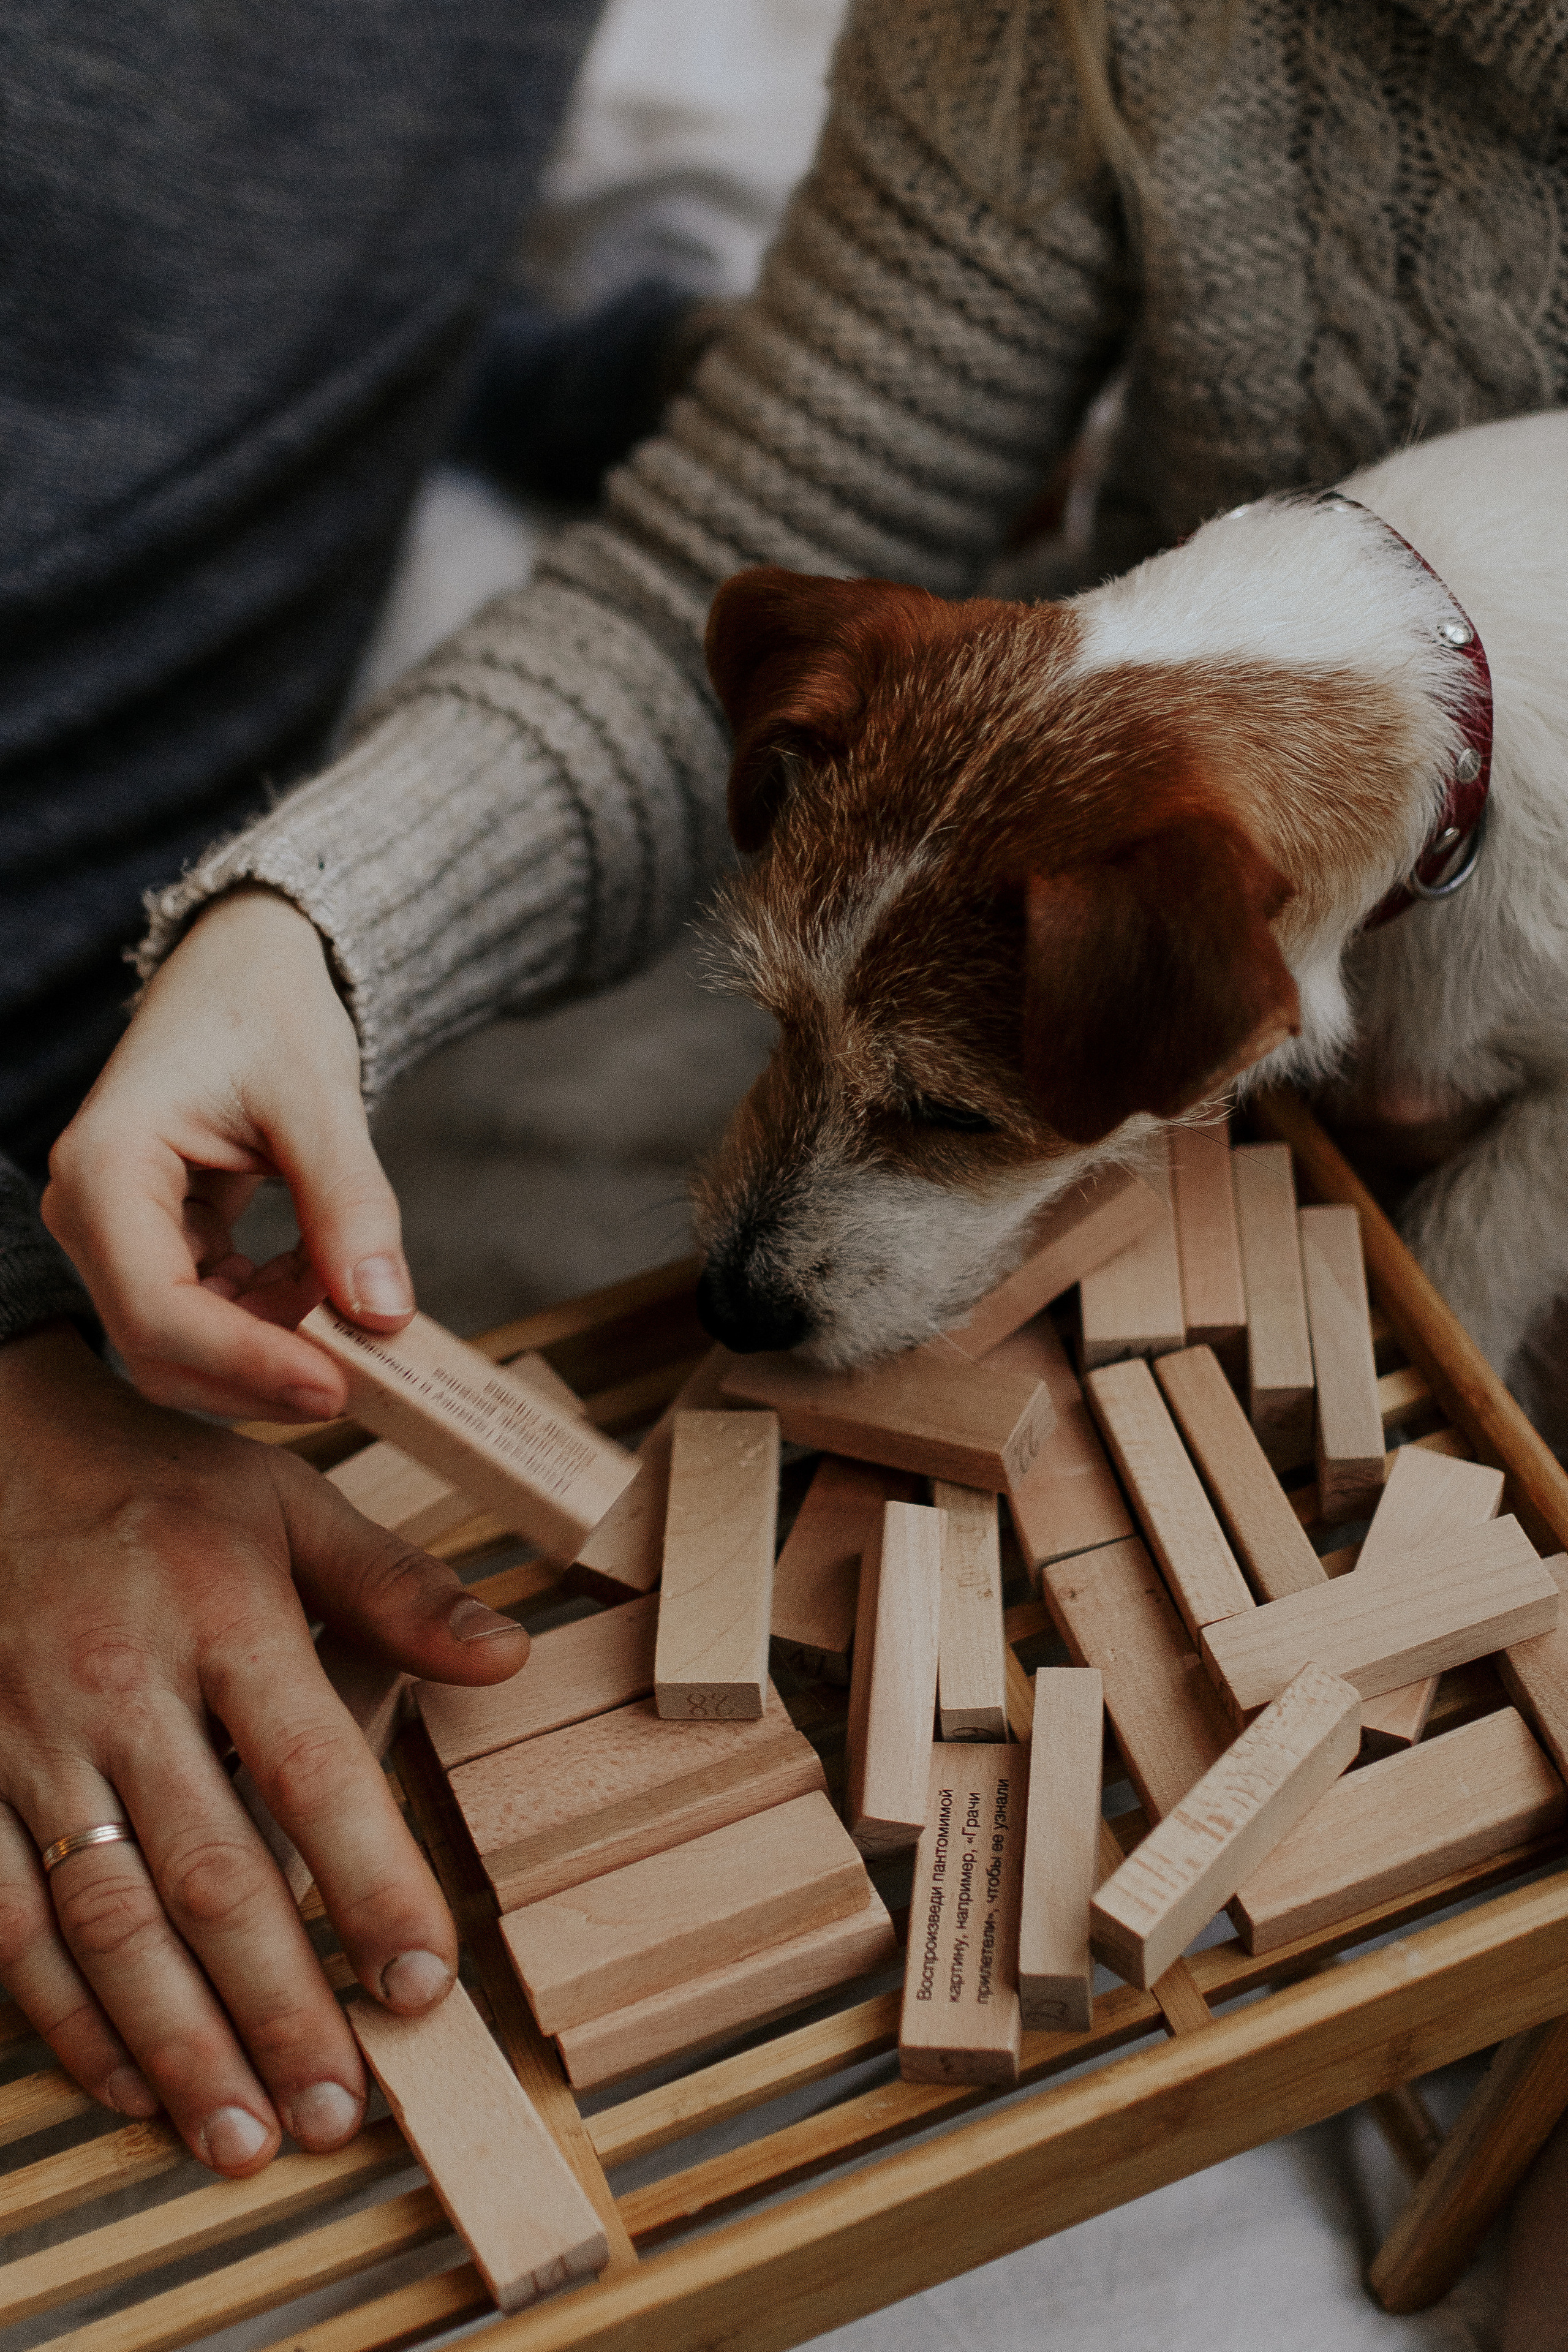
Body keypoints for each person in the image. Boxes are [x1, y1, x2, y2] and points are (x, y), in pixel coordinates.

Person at [10, 0, 1568, 2212]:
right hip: (1114, 899)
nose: (783, 1208)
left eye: (922, 1120)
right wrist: (297, 937)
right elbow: (737, 553)